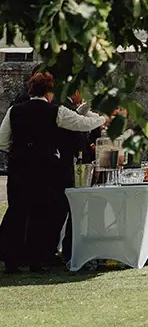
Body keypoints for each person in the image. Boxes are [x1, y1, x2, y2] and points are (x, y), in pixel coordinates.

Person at [0, 73, 108, 272]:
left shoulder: (14, 111)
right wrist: (102, 118)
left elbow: (2, 141)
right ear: (49, 92)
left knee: (17, 212)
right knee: (41, 214)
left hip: (19, 167)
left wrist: (18, 151)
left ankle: (11, 260)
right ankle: (37, 259)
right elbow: (82, 123)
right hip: (45, 168)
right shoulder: (55, 111)